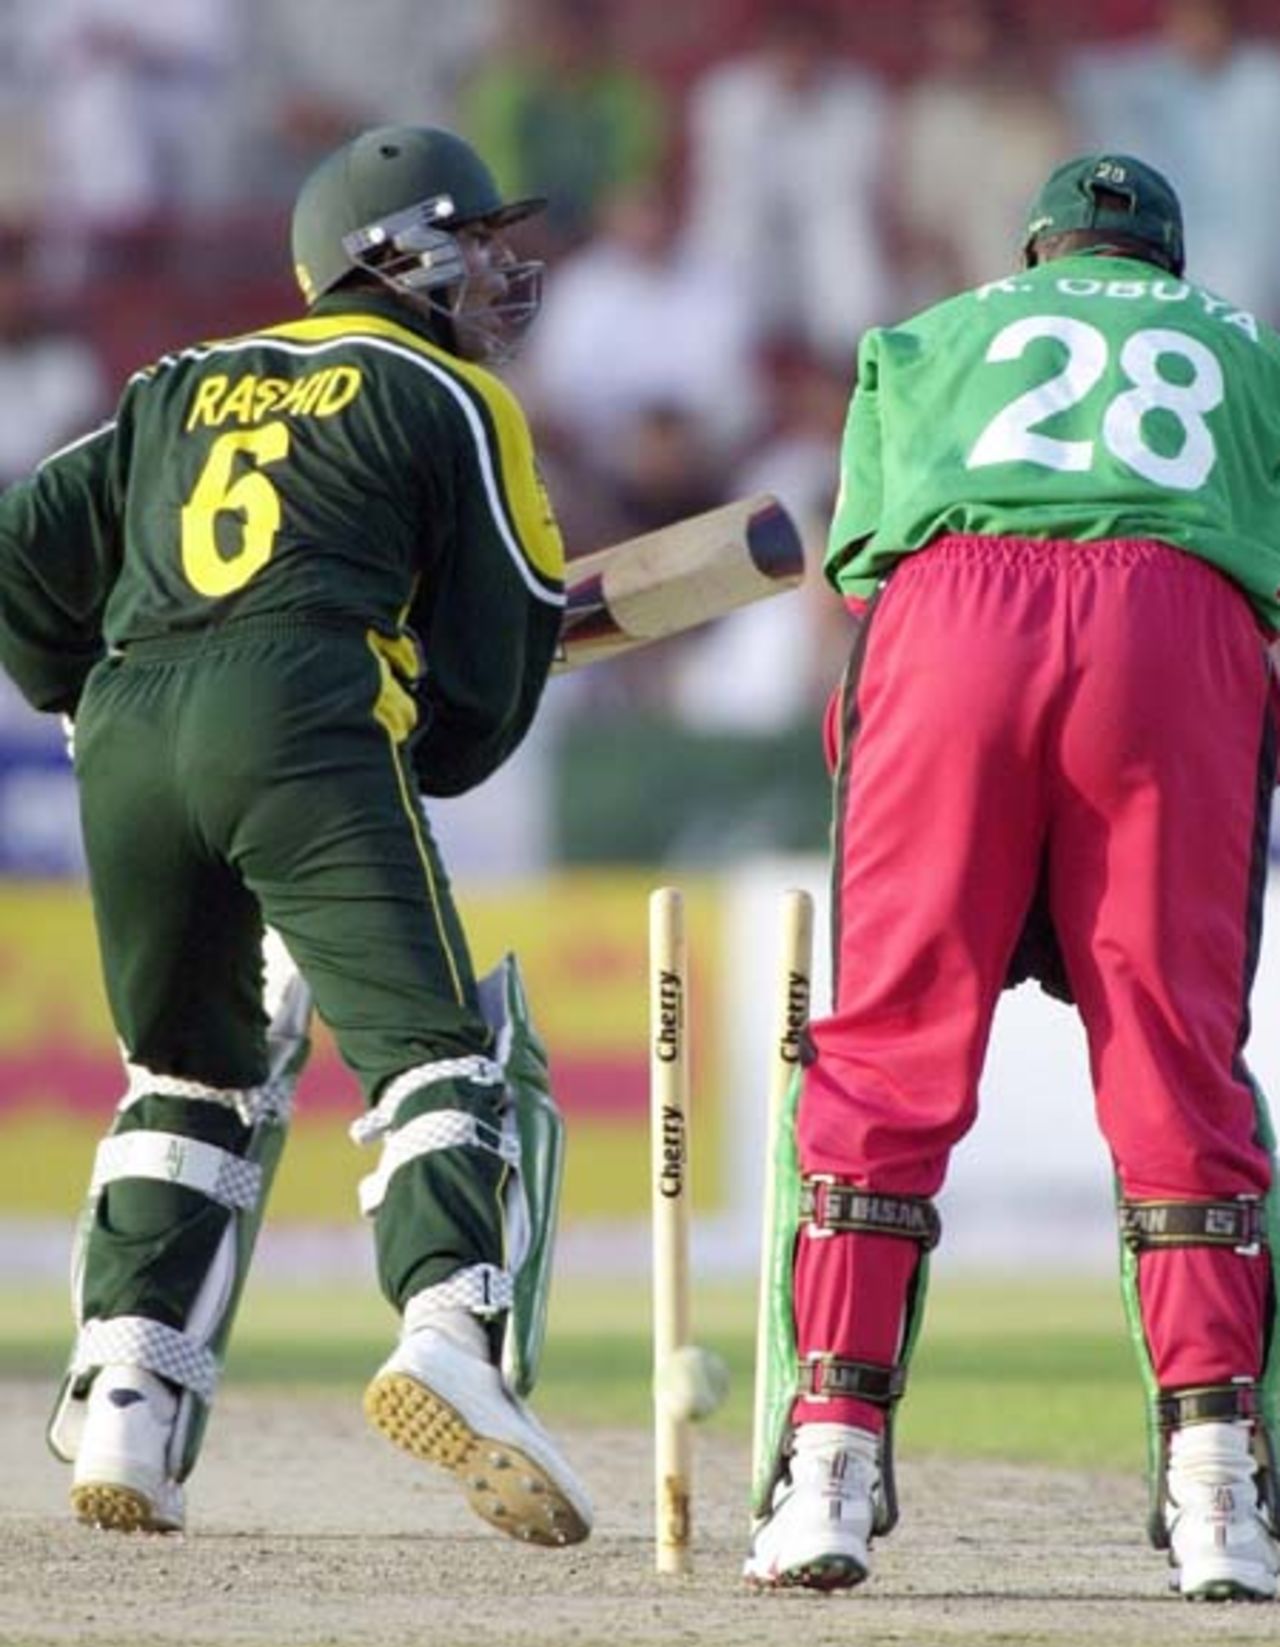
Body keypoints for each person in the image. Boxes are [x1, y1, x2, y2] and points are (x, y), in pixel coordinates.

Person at [0, 123, 592, 1548]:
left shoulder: (169, 384)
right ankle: (451, 1324)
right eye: (468, 246)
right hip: (304, 713)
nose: (492, 278)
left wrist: (86, 701)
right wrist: (416, 729)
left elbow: (20, 550)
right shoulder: (449, 395)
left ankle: (129, 1401)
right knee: (439, 1054)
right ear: (388, 258)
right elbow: (494, 669)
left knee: (189, 1077)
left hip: (132, 725)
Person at [745, 154, 1280, 1602]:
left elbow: (863, 568)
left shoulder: (920, 338)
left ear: (1038, 254)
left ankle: (829, 1466)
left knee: (889, 1052)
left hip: (948, 618)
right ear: (1158, 265)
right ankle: (1216, 1484)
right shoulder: (1245, 344)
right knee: (1176, 1067)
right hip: (1177, 631)